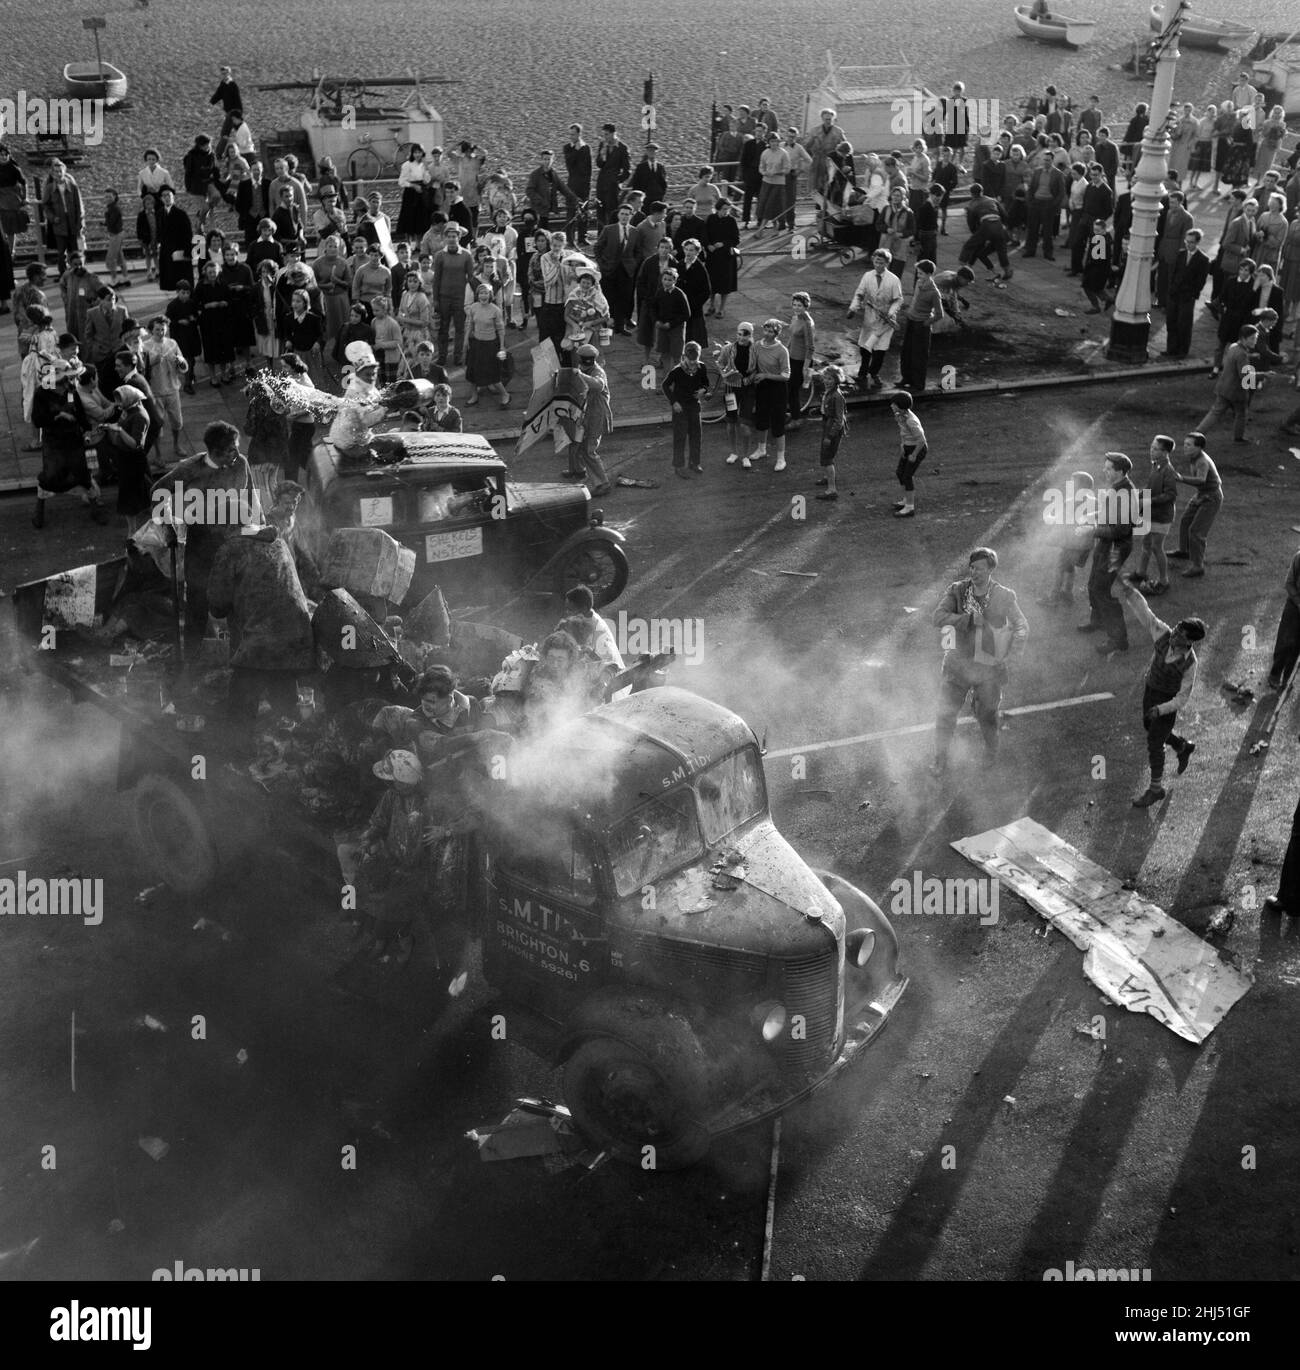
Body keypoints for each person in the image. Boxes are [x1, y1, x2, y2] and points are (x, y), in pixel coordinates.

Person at [150, 419, 255, 645]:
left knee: (237, 599)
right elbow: (158, 491)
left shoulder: (240, 463)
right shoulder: (190, 469)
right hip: (201, 544)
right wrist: (168, 529)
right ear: (215, 452)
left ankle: (237, 653)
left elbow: (250, 497)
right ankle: (191, 657)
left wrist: (258, 529)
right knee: (198, 601)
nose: (237, 453)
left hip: (234, 541)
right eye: (231, 450)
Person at [931, 547, 1029, 775]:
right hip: (958, 666)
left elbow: (1022, 627)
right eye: (972, 568)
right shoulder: (957, 591)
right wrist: (966, 620)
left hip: (989, 670)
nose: (974, 573)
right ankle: (940, 759)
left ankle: (991, 753)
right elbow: (938, 617)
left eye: (980, 569)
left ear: (991, 570)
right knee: (945, 715)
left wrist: (1011, 659)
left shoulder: (1004, 596)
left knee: (987, 716)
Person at [1116, 580, 1204, 808]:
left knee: (1154, 742)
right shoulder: (1163, 633)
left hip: (1166, 702)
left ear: (1189, 641)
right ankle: (1182, 746)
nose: (1174, 634)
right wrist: (1130, 590)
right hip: (1150, 692)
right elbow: (1146, 614)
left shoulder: (1190, 665)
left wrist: (1161, 709)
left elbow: (1182, 698)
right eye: (1176, 629)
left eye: (1180, 634)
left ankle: (1155, 789)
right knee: (1150, 728)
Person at [30, 358, 109, 529]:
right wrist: (58, 416)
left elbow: (78, 411)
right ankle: (39, 510)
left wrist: (88, 428)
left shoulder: (71, 391)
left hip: (74, 440)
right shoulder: (42, 394)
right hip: (54, 443)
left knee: (83, 474)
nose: (67, 382)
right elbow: (37, 420)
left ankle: (95, 508)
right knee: (50, 477)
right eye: (64, 378)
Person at [1079, 452, 1138, 654]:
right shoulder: (1116, 488)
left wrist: (1091, 529)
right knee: (1092, 584)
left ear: (1120, 471)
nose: (1104, 471)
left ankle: (1118, 639)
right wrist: (1092, 516)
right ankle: (1098, 621)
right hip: (1106, 544)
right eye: (1104, 468)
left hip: (1116, 547)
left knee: (1101, 589)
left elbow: (1120, 530)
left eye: (1108, 469)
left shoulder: (1126, 494)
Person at [848, 249, 904, 391]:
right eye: (876, 261)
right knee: (865, 346)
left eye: (882, 262)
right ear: (873, 260)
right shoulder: (867, 276)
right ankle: (862, 371)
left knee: (880, 349)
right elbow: (859, 294)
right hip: (870, 316)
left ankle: (874, 372)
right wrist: (853, 308)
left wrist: (890, 313)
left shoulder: (893, 280)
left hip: (886, 320)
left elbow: (898, 299)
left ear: (887, 263)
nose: (878, 265)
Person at [1168, 432, 1222, 577]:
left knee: (1196, 531)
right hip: (1202, 494)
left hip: (1211, 497)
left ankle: (1198, 566)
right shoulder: (1194, 457)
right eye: (1185, 444)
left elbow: (1201, 480)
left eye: (1189, 445)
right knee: (1186, 521)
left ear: (1199, 448)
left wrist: (1181, 478)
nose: (1185, 447)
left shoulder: (1202, 461)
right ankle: (1184, 550)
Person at [1201, 323, 1262, 443]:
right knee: (1241, 413)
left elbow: (1236, 359)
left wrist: (1251, 356)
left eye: (1256, 338)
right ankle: (1238, 437)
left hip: (1224, 387)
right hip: (1236, 392)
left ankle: (1197, 433)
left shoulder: (1234, 347)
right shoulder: (1242, 354)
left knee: (1215, 413)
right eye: (1252, 339)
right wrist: (1262, 375)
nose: (1255, 341)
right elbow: (1245, 375)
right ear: (1244, 339)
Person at [745, 317, 791, 471]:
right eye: (766, 330)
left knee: (778, 423)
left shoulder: (781, 350)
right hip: (762, 387)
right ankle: (761, 449)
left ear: (776, 333)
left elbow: (786, 375)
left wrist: (766, 376)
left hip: (777, 388)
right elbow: (753, 366)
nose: (767, 333)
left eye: (771, 331)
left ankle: (781, 458)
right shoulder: (757, 345)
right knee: (761, 419)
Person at [1134, 436, 1177, 596]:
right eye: (1151, 447)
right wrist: (1139, 495)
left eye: (1155, 449)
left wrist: (1147, 501)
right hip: (1151, 513)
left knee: (1156, 547)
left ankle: (1164, 581)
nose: (1151, 451)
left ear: (1165, 452)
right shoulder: (1155, 465)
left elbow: (1170, 495)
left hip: (1161, 516)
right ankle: (1140, 572)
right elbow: (1151, 487)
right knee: (1146, 543)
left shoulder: (1169, 471)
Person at [142, 315, 190, 457]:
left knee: (177, 421)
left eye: (163, 329)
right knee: (157, 425)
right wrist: (152, 361)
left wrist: (180, 362)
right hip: (155, 391)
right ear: (151, 330)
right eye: (157, 330)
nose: (160, 332)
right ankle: (158, 454)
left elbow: (184, 366)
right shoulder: (145, 347)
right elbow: (142, 369)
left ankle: (176, 445)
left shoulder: (172, 343)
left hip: (172, 389)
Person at [662, 340, 711, 477]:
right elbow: (665, 386)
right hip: (681, 408)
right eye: (690, 361)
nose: (693, 364)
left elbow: (706, 383)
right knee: (680, 436)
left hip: (694, 406)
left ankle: (695, 463)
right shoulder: (677, 371)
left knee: (696, 435)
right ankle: (679, 466)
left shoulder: (702, 368)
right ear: (684, 357)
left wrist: (703, 390)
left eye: (695, 361)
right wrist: (674, 402)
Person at [568, 344, 612, 495]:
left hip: (596, 415)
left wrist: (579, 375)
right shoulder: (584, 369)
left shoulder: (598, 372)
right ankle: (578, 470)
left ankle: (603, 483)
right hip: (585, 414)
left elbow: (598, 385)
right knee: (575, 442)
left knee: (589, 450)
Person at [899, 261, 944, 394]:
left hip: (921, 325)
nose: (918, 276)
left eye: (921, 273)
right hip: (911, 320)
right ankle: (906, 378)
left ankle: (918, 384)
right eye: (918, 273)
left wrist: (926, 323)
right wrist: (909, 312)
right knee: (907, 351)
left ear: (929, 274)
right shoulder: (919, 283)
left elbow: (939, 314)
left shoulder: (934, 292)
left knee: (919, 355)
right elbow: (915, 299)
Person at [1163, 229, 1210, 356]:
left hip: (1187, 297)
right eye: (1187, 241)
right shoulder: (1181, 254)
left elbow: (1201, 281)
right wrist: (1171, 289)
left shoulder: (1203, 259)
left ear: (1197, 242)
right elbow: (1174, 273)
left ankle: (1182, 350)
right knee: (1171, 322)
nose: (1188, 244)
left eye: (1191, 242)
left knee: (1184, 325)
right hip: (1174, 294)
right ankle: (1171, 349)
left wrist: (1192, 294)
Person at [594, 202, 638, 335]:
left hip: (626, 270)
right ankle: (607, 325)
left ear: (631, 215)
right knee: (608, 297)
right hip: (609, 268)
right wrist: (602, 263)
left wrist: (634, 263)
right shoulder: (609, 229)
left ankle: (620, 326)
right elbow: (598, 247)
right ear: (618, 215)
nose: (625, 217)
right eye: (622, 214)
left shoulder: (635, 232)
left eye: (627, 214)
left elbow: (638, 251)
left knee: (623, 298)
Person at [431, 225, 472, 367]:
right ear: (445, 238)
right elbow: (436, 279)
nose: (451, 239)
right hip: (444, 297)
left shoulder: (466, 255)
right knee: (443, 328)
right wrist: (435, 299)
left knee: (460, 329)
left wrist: (471, 299)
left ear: (459, 237)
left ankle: (458, 356)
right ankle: (442, 356)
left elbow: (471, 278)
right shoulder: (439, 256)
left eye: (454, 236)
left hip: (460, 298)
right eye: (448, 236)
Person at [464, 283, 510, 408]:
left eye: (485, 293)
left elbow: (501, 329)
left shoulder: (495, 310)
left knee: (492, 374)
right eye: (480, 293)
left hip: (490, 345)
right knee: (472, 372)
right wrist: (466, 340)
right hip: (477, 344)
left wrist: (501, 346)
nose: (483, 296)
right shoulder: (473, 307)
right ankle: (474, 396)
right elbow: (470, 324)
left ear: (490, 295)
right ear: (477, 295)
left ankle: (505, 395)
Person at [40, 161, 84, 273]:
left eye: (60, 171)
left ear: (64, 171)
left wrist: (80, 222)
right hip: (59, 223)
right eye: (56, 171)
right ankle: (63, 274)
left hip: (72, 222)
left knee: (75, 251)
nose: (58, 173)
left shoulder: (72, 186)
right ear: (52, 173)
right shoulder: (50, 188)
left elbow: (79, 205)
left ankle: (77, 272)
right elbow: (45, 204)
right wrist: (52, 218)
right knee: (61, 252)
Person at [813, 366, 848, 501]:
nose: (827, 381)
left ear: (836, 379)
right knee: (826, 455)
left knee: (827, 457)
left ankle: (832, 489)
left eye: (830, 378)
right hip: (827, 424)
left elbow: (839, 419)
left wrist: (830, 436)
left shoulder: (836, 396)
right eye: (825, 378)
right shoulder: (830, 392)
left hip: (831, 428)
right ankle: (828, 478)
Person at [1268, 546, 1300, 691]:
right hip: (1294, 605)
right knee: (1285, 642)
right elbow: (1289, 583)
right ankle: (1275, 675)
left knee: (1297, 647)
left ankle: (1287, 677)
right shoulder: (1298, 558)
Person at [648, 264, 690, 373]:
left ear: (675, 281)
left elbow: (686, 314)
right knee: (664, 352)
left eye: (670, 280)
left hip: (676, 328)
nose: (667, 282)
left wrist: (671, 324)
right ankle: (668, 375)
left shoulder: (679, 294)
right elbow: (653, 307)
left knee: (677, 354)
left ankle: (680, 377)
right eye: (665, 279)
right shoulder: (660, 292)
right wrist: (656, 320)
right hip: (662, 327)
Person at [704, 198, 740, 318]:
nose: (726, 211)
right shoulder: (711, 219)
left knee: (725, 284)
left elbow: (736, 239)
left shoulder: (731, 221)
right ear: (718, 209)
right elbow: (705, 234)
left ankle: (721, 308)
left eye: (727, 209)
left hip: (726, 257)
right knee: (712, 283)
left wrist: (723, 243)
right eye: (724, 209)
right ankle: (711, 305)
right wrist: (708, 245)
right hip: (713, 256)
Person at [155, 186, 194, 292]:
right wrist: (158, 243)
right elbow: (159, 231)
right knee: (169, 277)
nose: (167, 198)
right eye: (164, 196)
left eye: (169, 195)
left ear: (173, 197)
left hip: (179, 247)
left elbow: (188, 234)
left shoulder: (181, 214)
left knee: (181, 276)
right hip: (166, 249)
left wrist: (187, 251)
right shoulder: (159, 213)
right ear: (161, 198)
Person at [595, 124, 632, 227]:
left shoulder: (622, 148)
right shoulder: (603, 145)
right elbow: (599, 164)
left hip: (613, 185)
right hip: (601, 183)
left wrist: (617, 180)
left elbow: (627, 170)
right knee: (600, 211)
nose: (605, 137)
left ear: (613, 134)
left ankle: (612, 235)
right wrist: (602, 155)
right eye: (604, 135)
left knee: (612, 212)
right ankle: (601, 237)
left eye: (606, 134)